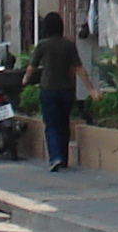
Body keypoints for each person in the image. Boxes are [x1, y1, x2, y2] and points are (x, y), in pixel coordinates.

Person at [30, 12, 81, 172]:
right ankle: (64, 159)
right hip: (66, 89)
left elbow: (32, 66)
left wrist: (25, 79)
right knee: (63, 123)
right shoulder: (68, 45)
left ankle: (55, 157)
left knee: (51, 125)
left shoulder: (43, 45)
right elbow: (76, 67)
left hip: (48, 89)